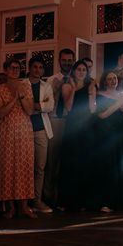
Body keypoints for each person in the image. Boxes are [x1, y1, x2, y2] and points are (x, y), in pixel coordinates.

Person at [0, 58, 35, 219]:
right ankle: (10, 207)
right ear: (5, 70)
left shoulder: (26, 86)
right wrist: (14, 98)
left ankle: (24, 206)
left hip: (24, 129)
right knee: (7, 166)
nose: (15, 70)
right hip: (7, 130)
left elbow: (30, 111)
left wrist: (23, 96)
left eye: (18, 68)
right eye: (12, 68)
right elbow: (1, 113)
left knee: (24, 164)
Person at [58, 59, 96, 211]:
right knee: (70, 162)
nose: (81, 72)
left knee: (85, 162)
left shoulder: (91, 86)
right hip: (72, 125)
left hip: (86, 126)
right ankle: (66, 201)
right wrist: (74, 90)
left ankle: (83, 201)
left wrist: (90, 92)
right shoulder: (67, 86)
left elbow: (93, 109)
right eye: (78, 69)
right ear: (74, 71)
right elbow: (68, 107)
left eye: (83, 70)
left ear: (87, 72)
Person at [93, 71, 123, 212]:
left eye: (114, 78)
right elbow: (102, 115)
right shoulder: (100, 96)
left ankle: (120, 201)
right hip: (106, 135)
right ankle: (106, 202)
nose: (112, 81)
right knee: (107, 167)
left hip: (120, 135)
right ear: (105, 81)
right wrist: (118, 104)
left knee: (120, 166)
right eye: (109, 78)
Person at [44, 48, 75, 206]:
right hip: (56, 120)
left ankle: (64, 198)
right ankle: (49, 198)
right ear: (59, 61)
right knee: (52, 160)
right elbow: (47, 102)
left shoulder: (77, 78)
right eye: (64, 60)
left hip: (73, 122)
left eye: (70, 60)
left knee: (68, 161)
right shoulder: (51, 80)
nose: (67, 63)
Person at [25, 56, 54, 213]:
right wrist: (40, 105)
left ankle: (36, 200)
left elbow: (50, 105)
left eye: (40, 67)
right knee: (24, 167)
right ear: (29, 68)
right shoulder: (22, 85)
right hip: (23, 129)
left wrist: (38, 105)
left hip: (41, 129)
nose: (38, 70)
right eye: (35, 67)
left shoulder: (46, 85)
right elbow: (23, 106)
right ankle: (24, 201)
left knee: (40, 167)